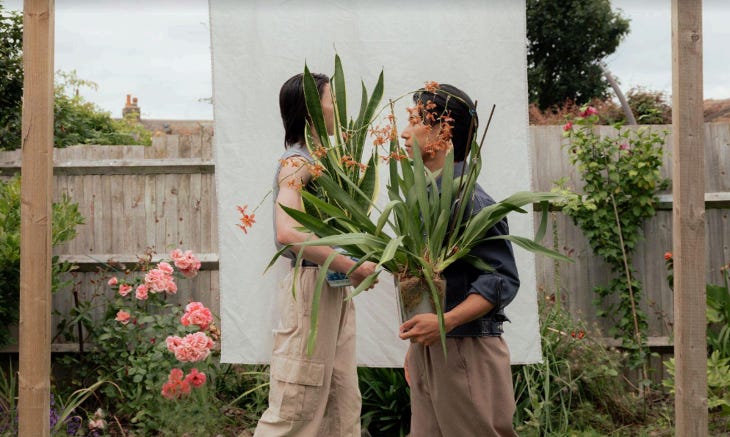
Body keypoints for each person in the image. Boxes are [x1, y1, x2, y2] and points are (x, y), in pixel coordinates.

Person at [253, 72, 378, 437]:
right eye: (331, 100)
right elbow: (287, 231)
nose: (337, 107)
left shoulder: (323, 161)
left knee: (341, 407)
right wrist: (349, 265)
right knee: (296, 407)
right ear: (311, 108)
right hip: (313, 284)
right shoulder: (297, 162)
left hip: (331, 286)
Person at [398, 83, 521, 437]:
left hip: (466, 349)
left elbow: (502, 280)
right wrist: (420, 350)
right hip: (435, 347)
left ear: (444, 130)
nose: (405, 133)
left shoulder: (470, 201)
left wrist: (444, 322)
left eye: (415, 120)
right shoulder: (426, 196)